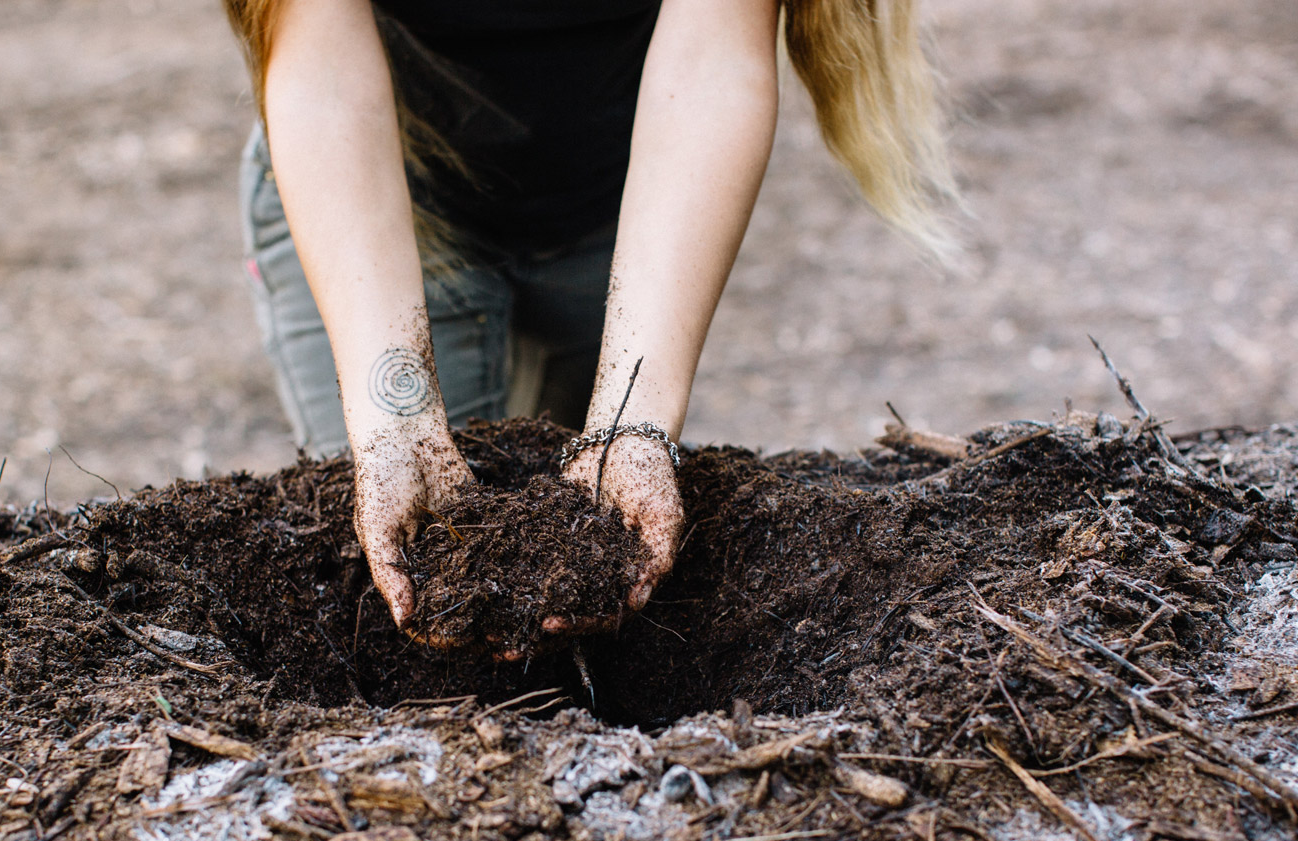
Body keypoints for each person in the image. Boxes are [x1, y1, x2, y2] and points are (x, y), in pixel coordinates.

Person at [223, 0, 954, 637]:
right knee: (396, 586)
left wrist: (632, 427)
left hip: (635, 200)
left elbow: (713, 55)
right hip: (368, 198)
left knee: (605, 562)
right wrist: (393, 424)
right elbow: (319, 69)